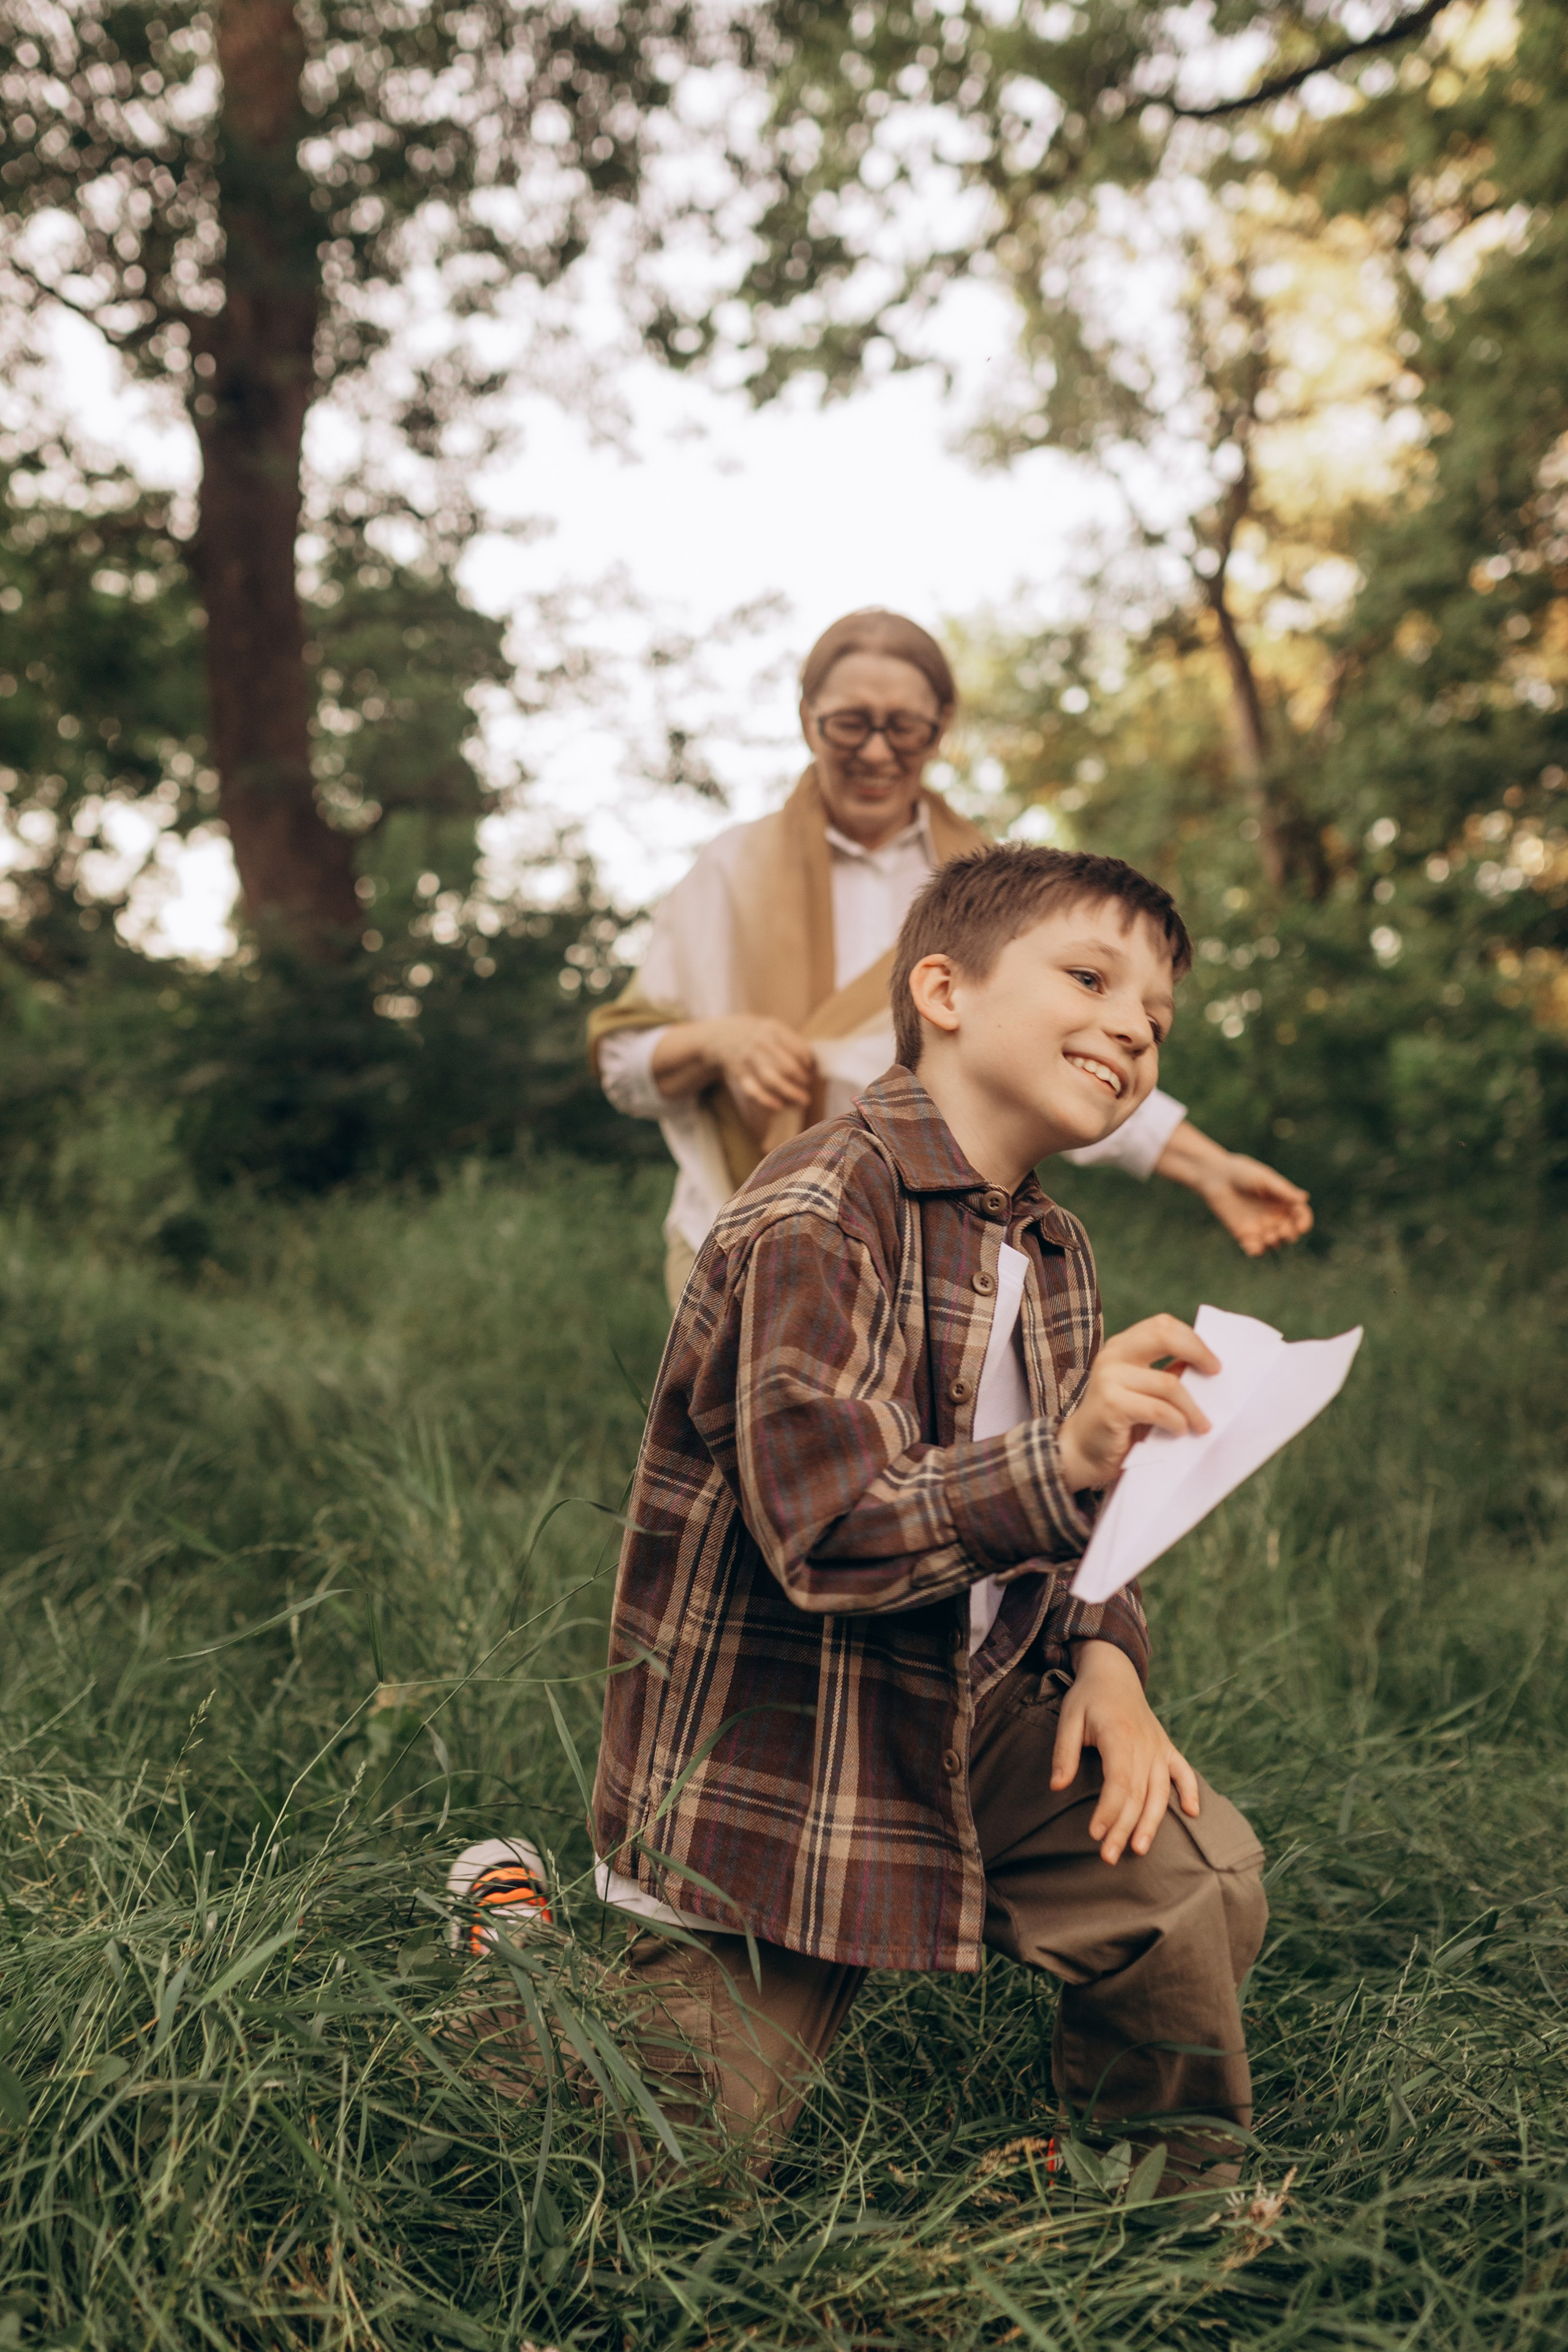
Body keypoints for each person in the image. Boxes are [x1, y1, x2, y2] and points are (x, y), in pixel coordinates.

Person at [449, 843, 1267, 2190]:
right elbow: (825, 1535)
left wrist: (1110, 1659)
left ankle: (1147, 2194)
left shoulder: (1056, 1251)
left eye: (1155, 1017)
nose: (1131, 1025)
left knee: (1191, 1878)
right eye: (1088, 977)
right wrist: (1059, 1453)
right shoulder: (813, 1213)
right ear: (941, 988)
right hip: (789, 1756)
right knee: (652, 2164)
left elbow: (1084, 1515)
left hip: (971, 1710)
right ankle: (516, 1941)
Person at [589, 607, 1311, 1310]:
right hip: (734, 1226)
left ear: (940, 730)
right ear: (808, 718)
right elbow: (623, 1066)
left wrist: (1210, 1169)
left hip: (933, 1257)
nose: (876, 750)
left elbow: (1065, 1050)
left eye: (904, 726)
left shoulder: (990, 887)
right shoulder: (730, 868)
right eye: (850, 723)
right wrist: (722, 1043)